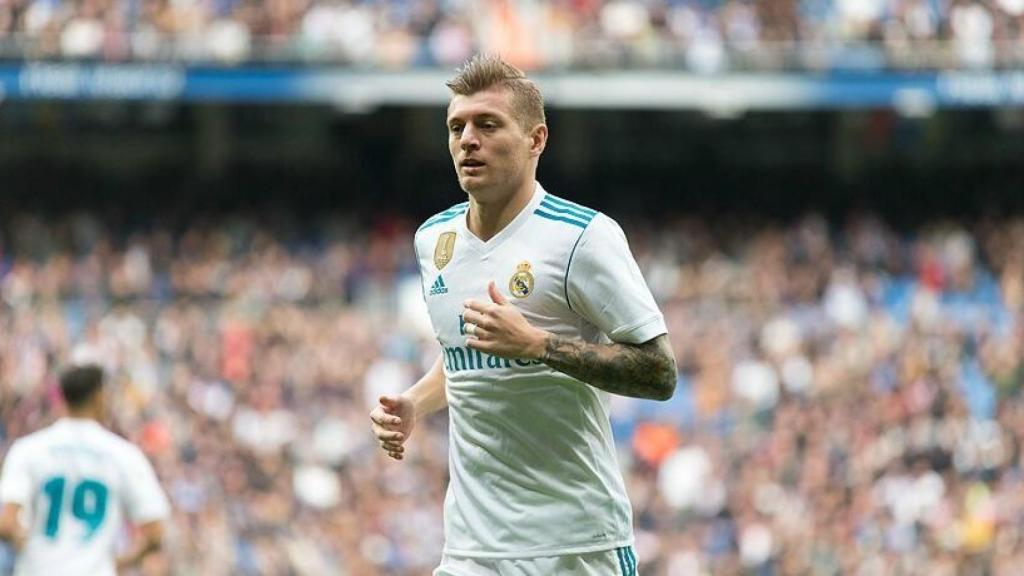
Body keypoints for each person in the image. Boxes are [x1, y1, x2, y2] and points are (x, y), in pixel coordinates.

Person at [369, 54, 677, 576]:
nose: (468, 139)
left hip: (575, 546)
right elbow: (465, 355)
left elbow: (660, 372)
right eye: (457, 126)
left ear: (536, 140)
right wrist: (416, 403)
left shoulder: (583, 238)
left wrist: (540, 346)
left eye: (488, 124)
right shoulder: (433, 240)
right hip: (471, 549)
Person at [0, 362, 170, 576]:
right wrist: (117, 563)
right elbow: (154, 532)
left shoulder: (29, 449)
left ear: (62, 397)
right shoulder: (123, 455)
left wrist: (28, 547)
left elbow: (6, 523)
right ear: (100, 397)